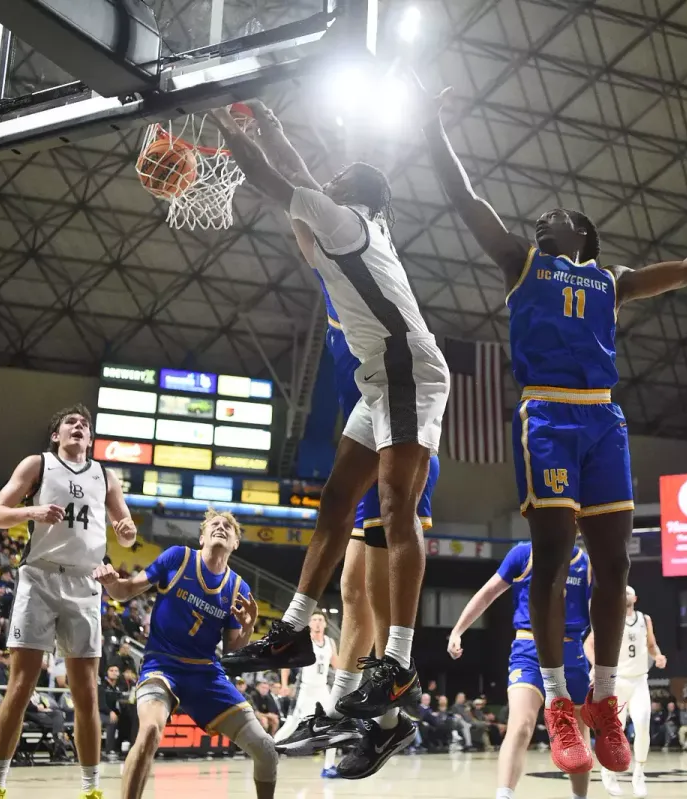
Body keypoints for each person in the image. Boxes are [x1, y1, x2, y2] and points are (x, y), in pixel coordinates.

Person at [416, 75, 687, 775]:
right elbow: (464, 198)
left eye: (552, 215)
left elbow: (685, 271)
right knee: (551, 560)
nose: (539, 220)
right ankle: (560, 701)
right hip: (548, 414)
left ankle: (603, 700)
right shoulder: (520, 261)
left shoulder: (610, 279)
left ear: (579, 234)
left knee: (615, 567)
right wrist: (435, 127)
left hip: (602, 419)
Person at [211, 105, 448, 772]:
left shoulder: (349, 222)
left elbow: (278, 181)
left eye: (341, 174)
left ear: (358, 192)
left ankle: (394, 667)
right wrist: (272, 131)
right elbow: (296, 175)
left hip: (407, 374)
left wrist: (238, 141)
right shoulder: (345, 228)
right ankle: (292, 631)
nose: (330, 177)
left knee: (393, 520)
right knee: (335, 501)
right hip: (380, 381)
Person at [0, 404, 136, 799]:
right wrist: (31, 510)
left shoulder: (105, 475)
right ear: (56, 435)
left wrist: (126, 529)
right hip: (40, 577)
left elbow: (127, 536)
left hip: (86, 582)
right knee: (21, 684)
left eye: (84, 425)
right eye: (71, 423)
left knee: (86, 692)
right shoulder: (38, 463)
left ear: (90, 438)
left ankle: (91, 788)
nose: (79, 427)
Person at [96, 510, 279, 799]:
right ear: (202, 536)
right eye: (214, 525)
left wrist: (248, 627)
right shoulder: (178, 558)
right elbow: (126, 590)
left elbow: (233, 652)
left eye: (228, 527)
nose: (221, 528)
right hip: (161, 666)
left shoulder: (238, 588)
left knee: (266, 750)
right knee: (149, 733)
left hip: (205, 674)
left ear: (235, 544)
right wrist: (110, 582)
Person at [448, 542, 593, 799]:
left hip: (571, 652)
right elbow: (487, 593)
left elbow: (601, 616)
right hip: (529, 649)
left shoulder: (587, 563)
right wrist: (458, 630)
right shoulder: (523, 554)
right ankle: (504, 795)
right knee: (521, 724)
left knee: (577, 732)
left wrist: (602, 666)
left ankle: (579, 796)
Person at [596, 586, 666, 797]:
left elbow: (652, 645)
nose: (625, 595)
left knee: (643, 724)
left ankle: (639, 774)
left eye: (628, 592)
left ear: (635, 598)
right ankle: (608, 772)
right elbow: (590, 644)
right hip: (617, 682)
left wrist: (659, 656)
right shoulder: (609, 618)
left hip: (639, 682)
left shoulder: (645, 619)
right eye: (622, 592)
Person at [274, 609, 341, 768]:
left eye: (320, 620)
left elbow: (336, 665)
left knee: (333, 724)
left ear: (325, 623)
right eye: (314, 619)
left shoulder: (330, 642)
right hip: (304, 689)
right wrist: (284, 685)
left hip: (322, 689)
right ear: (309, 623)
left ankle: (329, 767)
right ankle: (268, 752)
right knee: (291, 724)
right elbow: (286, 664)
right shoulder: (302, 642)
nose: (317, 622)